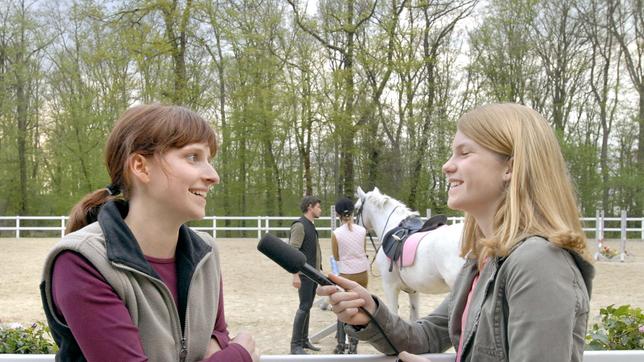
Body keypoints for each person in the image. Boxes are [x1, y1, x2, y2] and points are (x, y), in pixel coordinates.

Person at [318, 103, 595, 362]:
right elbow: (425, 338)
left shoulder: (538, 262)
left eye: (464, 153)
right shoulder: (482, 261)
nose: (447, 165)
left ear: (510, 166)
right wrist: (371, 313)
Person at [39, 104, 258, 362]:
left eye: (209, 159)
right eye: (193, 157)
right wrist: (239, 356)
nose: (213, 175)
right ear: (141, 167)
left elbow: (216, 335)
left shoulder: (206, 252)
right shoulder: (81, 261)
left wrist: (218, 348)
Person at [331, 197, 369, 354]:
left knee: (342, 307)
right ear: (352, 213)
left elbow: (336, 256)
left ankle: (341, 344)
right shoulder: (362, 231)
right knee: (359, 308)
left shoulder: (336, 234)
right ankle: (354, 344)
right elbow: (364, 250)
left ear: (338, 215)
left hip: (346, 274)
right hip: (362, 274)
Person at [289, 195, 323, 354]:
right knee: (303, 307)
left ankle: (303, 341)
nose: (320, 210)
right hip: (303, 275)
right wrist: (295, 274)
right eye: (318, 206)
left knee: (307, 307)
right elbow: (292, 252)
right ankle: (295, 345)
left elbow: (314, 250)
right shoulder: (300, 226)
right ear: (310, 207)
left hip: (313, 274)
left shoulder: (310, 225)